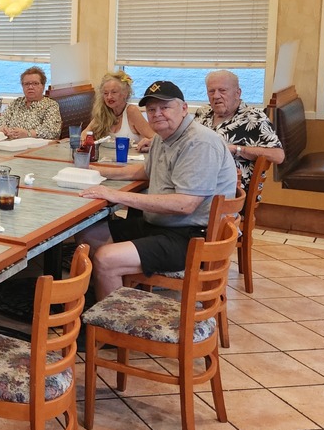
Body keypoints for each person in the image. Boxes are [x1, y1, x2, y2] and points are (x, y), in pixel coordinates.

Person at [77, 80, 237, 301]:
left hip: (193, 237)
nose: (157, 114)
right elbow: (145, 171)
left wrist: (114, 195)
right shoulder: (163, 136)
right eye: (151, 109)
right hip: (161, 225)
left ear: (184, 108)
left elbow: (185, 204)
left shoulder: (199, 142)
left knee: (106, 258)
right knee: (88, 234)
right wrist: (97, 171)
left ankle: (116, 318)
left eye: (165, 107)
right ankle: (121, 296)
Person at [195, 69, 285, 189]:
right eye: (211, 91)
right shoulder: (202, 113)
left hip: (229, 189)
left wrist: (236, 149)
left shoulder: (254, 117)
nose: (216, 96)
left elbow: (278, 156)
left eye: (222, 90)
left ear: (237, 93)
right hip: (195, 179)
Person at [84, 71, 154, 153]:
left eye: (114, 92)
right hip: (105, 158)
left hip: (130, 158)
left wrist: (148, 143)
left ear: (125, 93)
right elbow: (84, 134)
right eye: (106, 93)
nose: (109, 97)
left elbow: (155, 138)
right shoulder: (103, 112)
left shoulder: (131, 111)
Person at [0, 66, 62, 140]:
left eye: (35, 83)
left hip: (36, 145)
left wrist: (27, 134)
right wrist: (2, 130)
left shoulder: (50, 105)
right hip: (9, 143)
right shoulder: (15, 103)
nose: (30, 87)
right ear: (22, 86)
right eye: (26, 84)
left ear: (43, 86)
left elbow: (52, 132)